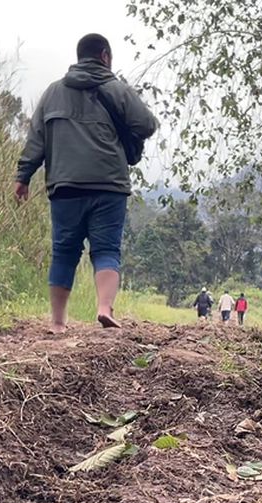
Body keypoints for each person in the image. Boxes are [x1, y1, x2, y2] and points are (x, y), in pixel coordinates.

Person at [14, 34, 158, 333]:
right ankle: (104, 308)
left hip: (65, 185)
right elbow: (146, 125)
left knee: (64, 250)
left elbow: (36, 140)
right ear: (105, 56)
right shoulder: (117, 89)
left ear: (79, 57)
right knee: (106, 249)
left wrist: (23, 176)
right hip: (109, 184)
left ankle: (56, 322)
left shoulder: (53, 92)